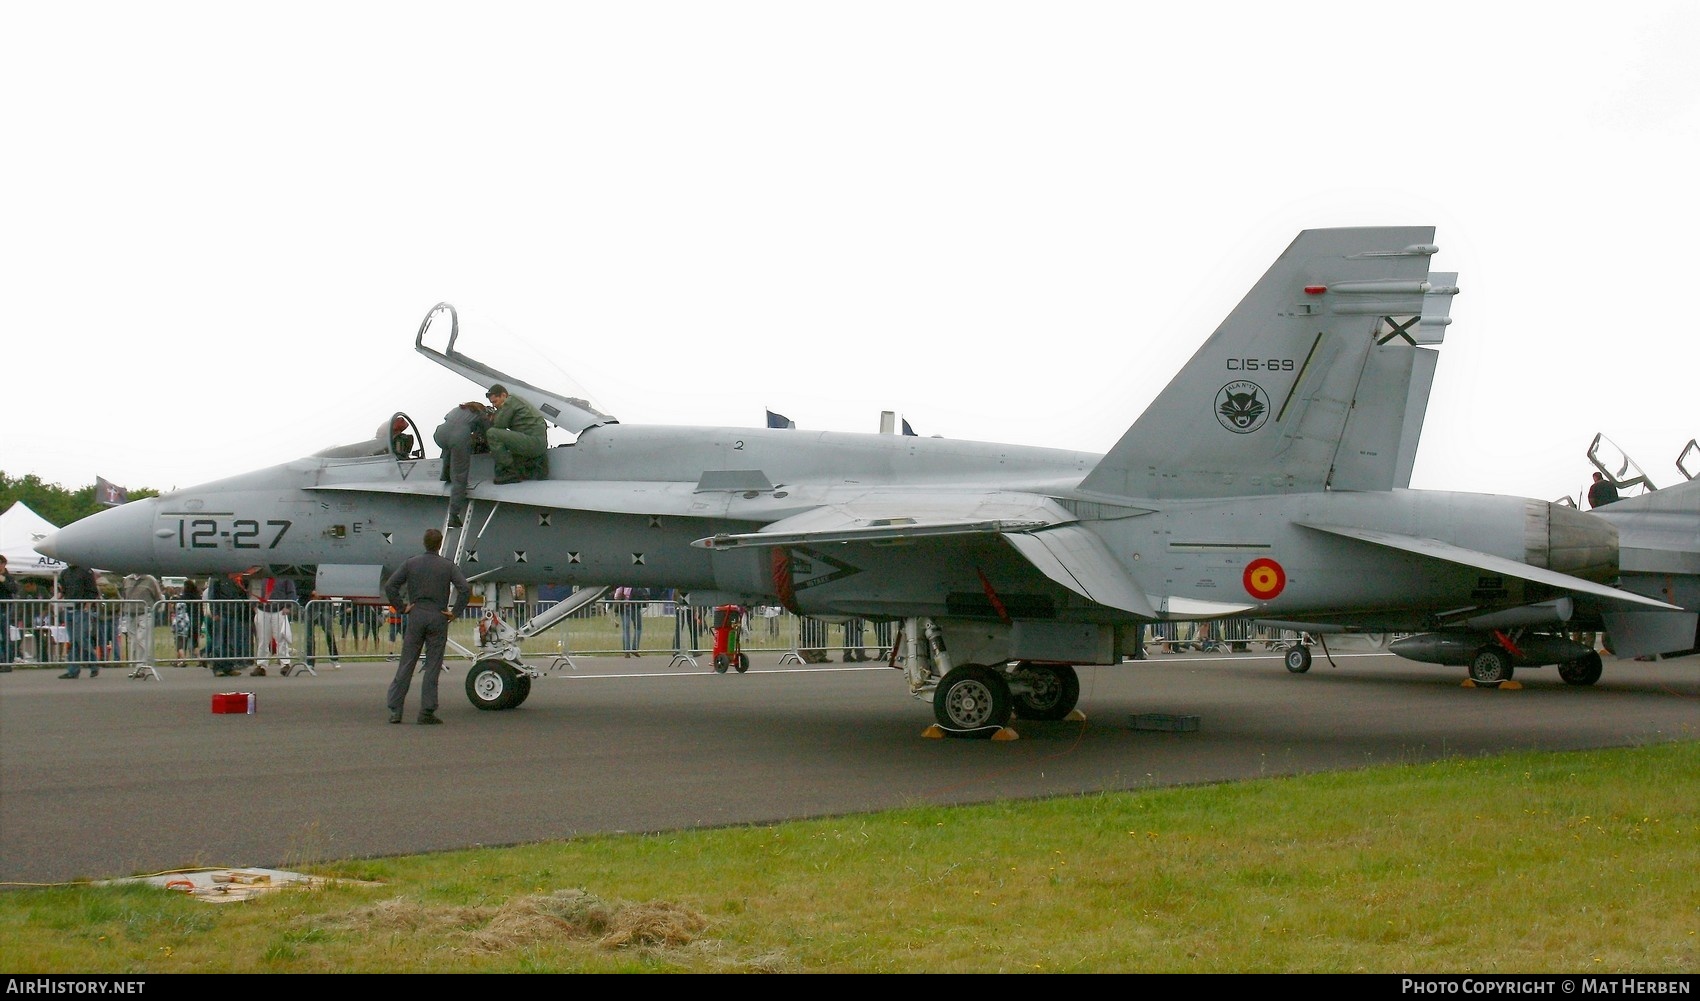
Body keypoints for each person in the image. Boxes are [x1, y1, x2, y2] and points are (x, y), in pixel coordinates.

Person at [383, 527, 471, 725]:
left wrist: (402, 607)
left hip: (416, 615)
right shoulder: (447, 566)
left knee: (406, 663)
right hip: (438, 616)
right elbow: (464, 588)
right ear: (440, 545)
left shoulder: (411, 563)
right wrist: (455, 612)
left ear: (424, 543)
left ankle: (396, 709)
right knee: (432, 666)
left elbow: (390, 586)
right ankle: (427, 710)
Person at [435, 401, 493, 528]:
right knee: (460, 477)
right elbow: (488, 434)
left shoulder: (457, 409)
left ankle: (445, 475)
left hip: (439, 434)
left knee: (449, 449)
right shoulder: (481, 413)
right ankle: (454, 516)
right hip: (458, 437)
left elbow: (448, 422)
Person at [483, 383, 549, 484]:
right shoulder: (517, 401)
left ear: (504, 395)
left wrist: (491, 417)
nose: (494, 405)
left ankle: (510, 473)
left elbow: (499, 425)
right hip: (537, 443)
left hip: (533, 442)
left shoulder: (510, 402)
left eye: (495, 402)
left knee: (492, 433)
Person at [206, 569, 255, 677]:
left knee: (233, 642)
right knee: (219, 642)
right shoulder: (217, 578)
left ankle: (229, 666)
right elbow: (212, 595)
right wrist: (215, 612)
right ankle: (218, 667)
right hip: (222, 614)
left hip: (235, 614)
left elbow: (242, 594)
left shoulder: (239, 579)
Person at [55, 563, 101, 678]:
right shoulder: (64, 573)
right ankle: (73, 670)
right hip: (69, 609)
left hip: (81, 610)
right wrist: (59, 597)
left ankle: (93, 664)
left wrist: (87, 605)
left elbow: (92, 591)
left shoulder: (86, 570)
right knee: (73, 641)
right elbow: (63, 590)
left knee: (81, 639)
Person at [250, 574, 298, 676]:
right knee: (262, 639)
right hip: (262, 609)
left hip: (279, 610)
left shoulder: (285, 577)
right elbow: (254, 591)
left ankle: (285, 663)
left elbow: (291, 592)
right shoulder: (260, 576)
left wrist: (288, 606)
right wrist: (254, 606)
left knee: (281, 638)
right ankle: (261, 665)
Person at [119, 573, 165, 668]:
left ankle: (141, 666)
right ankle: (135, 664)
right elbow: (124, 596)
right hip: (130, 614)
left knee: (142, 639)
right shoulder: (127, 580)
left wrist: (156, 609)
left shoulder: (151, 580)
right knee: (134, 641)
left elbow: (158, 596)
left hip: (145, 613)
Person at [303, 590, 341, 671]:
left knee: (329, 632)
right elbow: (299, 587)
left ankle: (334, 658)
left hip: (324, 605)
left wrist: (323, 593)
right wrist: (311, 593)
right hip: (309, 606)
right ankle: (310, 662)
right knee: (309, 636)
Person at [671, 589, 702, 655]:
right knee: (689, 630)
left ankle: (676, 649)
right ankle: (694, 650)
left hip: (683, 608)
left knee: (681, 629)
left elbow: (674, 596)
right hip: (686, 608)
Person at [0, 555, 16, 669]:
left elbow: (14, 589)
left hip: (4, 609)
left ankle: (7, 662)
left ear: (4, 564)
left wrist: (3, 580)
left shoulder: (8, 577)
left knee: (5, 636)